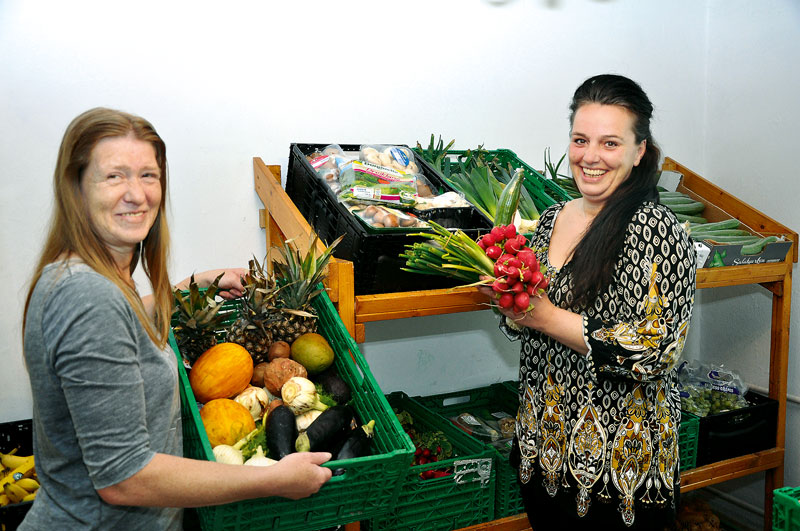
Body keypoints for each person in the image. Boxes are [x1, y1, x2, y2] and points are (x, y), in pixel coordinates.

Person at [20, 108, 332, 529]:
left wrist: (190, 286)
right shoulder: (86, 295)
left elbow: (120, 328)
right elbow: (125, 478)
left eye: (148, 175)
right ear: (75, 188)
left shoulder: (91, 277)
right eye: (114, 176)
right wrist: (270, 480)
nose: (137, 193)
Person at [479, 74, 696, 529]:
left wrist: (543, 316)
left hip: (621, 470)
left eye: (610, 143)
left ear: (639, 152)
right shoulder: (554, 217)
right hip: (544, 451)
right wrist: (509, 303)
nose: (590, 157)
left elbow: (654, 350)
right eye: (580, 140)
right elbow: (527, 321)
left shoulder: (658, 230)